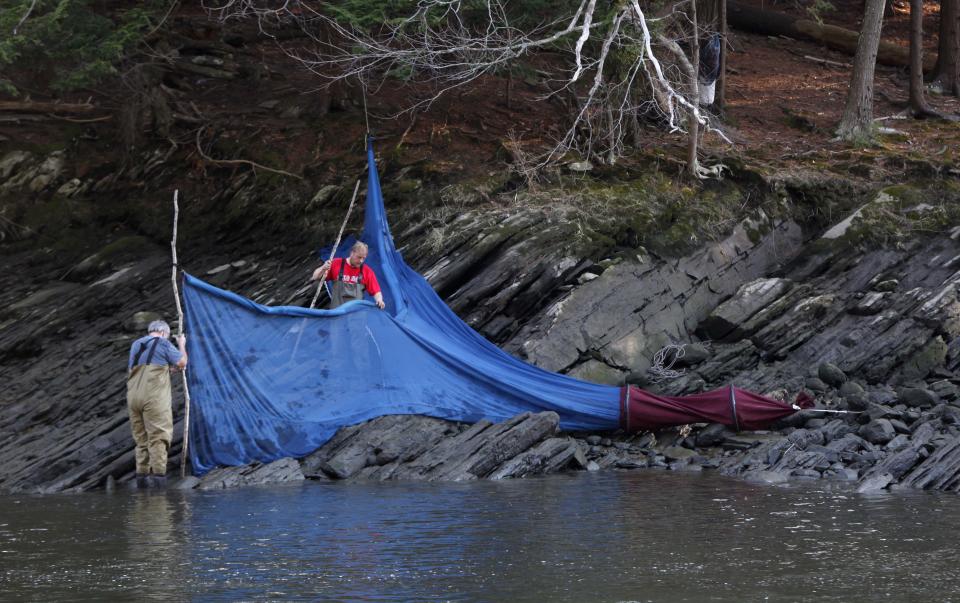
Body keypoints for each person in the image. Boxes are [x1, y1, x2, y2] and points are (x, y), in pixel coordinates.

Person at [126, 320, 187, 489]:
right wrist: (181, 344)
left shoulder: (136, 345)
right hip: (153, 398)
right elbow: (182, 362)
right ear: (162, 332)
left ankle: (142, 482)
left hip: (133, 396)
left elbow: (143, 368)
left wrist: (168, 370)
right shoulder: (163, 343)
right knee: (159, 437)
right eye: (167, 335)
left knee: (141, 439)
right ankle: (159, 487)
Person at [311, 241, 386, 309]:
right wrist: (323, 268)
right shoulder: (336, 263)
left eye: (363, 258)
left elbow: (376, 291)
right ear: (352, 253)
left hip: (356, 316)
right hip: (337, 315)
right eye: (359, 257)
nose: (361, 261)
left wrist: (379, 300)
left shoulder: (367, 271)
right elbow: (315, 277)